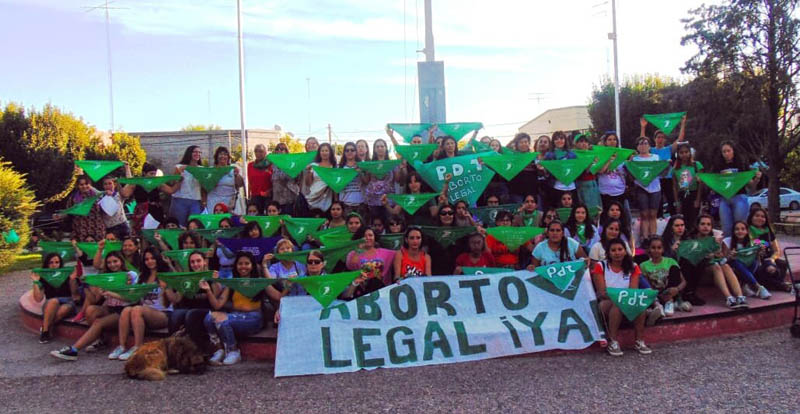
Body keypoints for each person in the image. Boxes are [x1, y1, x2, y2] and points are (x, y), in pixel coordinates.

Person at [50, 251, 138, 361]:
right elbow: (96, 299)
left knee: (98, 322)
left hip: (125, 310)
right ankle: (101, 339)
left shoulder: (130, 275)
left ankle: (74, 350)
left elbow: (132, 298)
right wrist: (88, 285)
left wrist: (110, 292)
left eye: (115, 261)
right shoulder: (105, 276)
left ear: (121, 261)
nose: (112, 264)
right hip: (110, 308)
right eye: (109, 262)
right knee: (90, 309)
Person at [201, 251, 264, 365]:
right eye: (240, 264)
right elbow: (217, 305)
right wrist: (208, 290)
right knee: (208, 318)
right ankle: (219, 349)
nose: (243, 266)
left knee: (224, 322)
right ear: (236, 266)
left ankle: (233, 351)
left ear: (252, 265)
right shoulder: (232, 283)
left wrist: (286, 288)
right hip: (235, 315)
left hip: (253, 318)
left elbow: (278, 296)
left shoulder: (259, 281)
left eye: (247, 263)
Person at [590, 238, 652, 356]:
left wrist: (621, 297)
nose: (617, 253)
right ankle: (612, 342)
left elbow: (633, 291)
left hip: (626, 300)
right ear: (608, 253)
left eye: (620, 249)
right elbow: (602, 292)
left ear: (625, 251)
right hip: (606, 303)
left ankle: (639, 341)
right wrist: (619, 297)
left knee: (639, 306)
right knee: (617, 305)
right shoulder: (600, 266)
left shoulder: (633, 267)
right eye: (613, 250)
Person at [109, 247, 172, 361]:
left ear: (158, 258)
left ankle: (137, 346)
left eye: (152, 258)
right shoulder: (142, 276)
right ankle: (122, 346)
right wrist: (115, 292)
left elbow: (171, 300)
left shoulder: (166, 275)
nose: (150, 261)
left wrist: (166, 287)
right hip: (143, 313)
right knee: (127, 310)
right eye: (147, 259)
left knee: (137, 309)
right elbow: (133, 298)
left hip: (163, 314)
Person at [165, 251, 220, 355]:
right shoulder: (186, 277)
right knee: (175, 315)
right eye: (192, 262)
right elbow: (176, 299)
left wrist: (215, 280)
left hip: (206, 310)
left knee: (191, 315)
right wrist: (167, 286)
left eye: (198, 261)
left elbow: (217, 297)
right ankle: (172, 351)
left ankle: (198, 351)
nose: (195, 264)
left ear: (204, 262)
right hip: (188, 309)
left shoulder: (210, 275)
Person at [710, 141, 760, 237]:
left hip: (740, 198)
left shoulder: (741, 165)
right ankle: (729, 250)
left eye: (728, 151)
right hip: (724, 200)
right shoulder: (718, 167)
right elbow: (714, 185)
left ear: (733, 151)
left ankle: (741, 249)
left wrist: (757, 179)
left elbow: (751, 186)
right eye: (724, 152)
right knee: (726, 229)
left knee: (740, 227)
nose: (726, 154)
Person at [640, 115, 688, 217]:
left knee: (671, 200)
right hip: (656, 179)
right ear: (654, 139)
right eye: (658, 137)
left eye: (662, 137)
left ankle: (674, 220)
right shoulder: (651, 150)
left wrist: (683, 123)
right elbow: (642, 141)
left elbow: (680, 139)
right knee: (658, 203)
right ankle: (658, 222)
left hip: (668, 179)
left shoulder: (668, 149)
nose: (660, 139)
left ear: (665, 139)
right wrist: (643, 127)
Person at [32, 253, 80, 343]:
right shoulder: (43, 277)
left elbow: (75, 294)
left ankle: (45, 329)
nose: (54, 265)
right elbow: (38, 298)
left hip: (67, 302)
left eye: (57, 262)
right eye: (51, 262)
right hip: (50, 303)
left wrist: (72, 280)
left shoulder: (65, 275)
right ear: (47, 264)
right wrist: (35, 282)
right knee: (54, 301)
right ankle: (46, 331)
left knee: (64, 309)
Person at [122, 162, 180, 236]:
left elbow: (171, 190)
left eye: (154, 174)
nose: (153, 176)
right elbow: (125, 194)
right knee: (141, 234)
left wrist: (180, 181)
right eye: (151, 174)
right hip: (141, 213)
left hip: (156, 212)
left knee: (157, 234)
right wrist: (118, 184)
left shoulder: (157, 183)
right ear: (144, 173)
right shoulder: (136, 183)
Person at [640, 236, 691, 319]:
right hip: (655, 295)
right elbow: (645, 285)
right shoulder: (643, 265)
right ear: (649, 249)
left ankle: (670, 302)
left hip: (670, 291)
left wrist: (677, 289)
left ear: (663, 249)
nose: (656, 250)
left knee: (674, 268)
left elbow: (683, 282)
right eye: (653, 248)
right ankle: (663, 305)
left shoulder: (670, 261)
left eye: (659, 248)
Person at [746, 207, 792, 292]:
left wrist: (772, 259)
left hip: (769, 259)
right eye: (757, 216)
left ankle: (776, 284)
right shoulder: (747, 230)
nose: (760, 218)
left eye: (763, 216)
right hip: (756, 260)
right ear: (751, 217)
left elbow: (777, 250)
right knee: (761, 270)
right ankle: (781, 285)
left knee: (783, 264)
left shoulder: (768, 231)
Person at [723, 221, 772, 300]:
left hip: (749, 265)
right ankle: (758, 287)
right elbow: (723, 260)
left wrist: (762, 248)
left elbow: (766, 243)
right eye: (737, 229)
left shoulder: (753, 240)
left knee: (755, 260)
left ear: (747, 231)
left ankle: (744, 285)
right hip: (734, 268)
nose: (740, 231)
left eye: (743, 229)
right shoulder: (727, 241)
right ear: (733, 231)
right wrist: (730, 256)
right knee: (736, 262)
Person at [53, 174, 105, 241]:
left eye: (86, 184)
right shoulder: (73, 198)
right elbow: (68, 212)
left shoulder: (98, 196)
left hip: (97, 230)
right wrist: (59, 216)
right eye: (81, 184)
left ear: (90, 184)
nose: (84, 186)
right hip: (80, 231)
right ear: (77, 186)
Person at [596, 132, 632, 219]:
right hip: (605, 192)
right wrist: (609, 158)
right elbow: (600, 171)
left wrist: (630, 162)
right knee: (606, 217)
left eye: (614, 139)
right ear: (605, 142)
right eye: (609, 139)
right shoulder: (599, 155)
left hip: (620, 191)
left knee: (622, 217)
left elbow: (626, 172)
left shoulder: (622, 155)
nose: (612, 141)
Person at [632, 136, 662, 240]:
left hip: (655, 188)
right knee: (644, 214)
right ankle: (645, 237)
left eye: (645, 143)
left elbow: (661, 171)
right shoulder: (634, 159)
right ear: (637, 147)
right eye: (640, 143)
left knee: (653, 214)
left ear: (649, 146)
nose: (643, 145)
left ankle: (653, 237)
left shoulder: (656, 157)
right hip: (641, 188)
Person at [543, 131, 578, 210]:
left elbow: (577, 170)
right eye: (556, 139)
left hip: (571, 187)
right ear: (553, 141)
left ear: (565, 140)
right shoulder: (549, 155)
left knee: (573, 211)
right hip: (557, 187)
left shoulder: (572, 154)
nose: (559, 140)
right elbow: (546, 173)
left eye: (561, 138)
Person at [170, 145, 205, 226]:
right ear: (189, 153)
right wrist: (181, 170)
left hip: (195, 200)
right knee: (180, 224)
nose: (198, 154)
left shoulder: (202, 169)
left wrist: (204, 201)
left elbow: (203, 187)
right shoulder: (179, 167)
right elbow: (173, 182)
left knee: (195, 224)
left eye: (199, 152)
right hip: (180, 199)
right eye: (195, 152)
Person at [364, 139, 397, 221]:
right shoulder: (370, 164)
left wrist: (402, 168)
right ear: (374, 149)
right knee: (375, 226)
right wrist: (361, 172)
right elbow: (366, 181)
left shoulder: (392, 164)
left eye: (382, 146)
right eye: (377, 146)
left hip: (388, 201)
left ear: (386, 148)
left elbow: (399, 180)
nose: (380, 148)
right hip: (373, 201)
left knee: (389, 224)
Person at [672, 143, 703, 230]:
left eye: (686, 152)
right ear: (678, 154)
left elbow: (701, 184)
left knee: (694, 219)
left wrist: (698, 199)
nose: (684, 154)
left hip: (694, 194)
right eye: (681, 152)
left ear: (690, 153)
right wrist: (677, 202)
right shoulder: (675, 169)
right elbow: (674, 186)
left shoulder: (696, 165)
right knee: (684, 219)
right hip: (682, 195)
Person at [206, 146, 244, 212]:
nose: (223, 156)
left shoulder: (233, 168)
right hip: (214, 201)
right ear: (216, 157)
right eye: (220, 154)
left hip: (230, 202)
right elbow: (207, 186)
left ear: (228, 157)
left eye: (225, 154)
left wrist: (236, 175)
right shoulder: (211, 170)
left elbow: (240, 184)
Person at [304, 142, 336, 212]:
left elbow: (335, 186)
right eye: (322, 151)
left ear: (330, 152)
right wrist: (308, 171)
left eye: (326, 151)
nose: (324, 153)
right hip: (312, 197)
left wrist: (336, 201)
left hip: (327, 199)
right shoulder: (314, 165)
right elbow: (308, 183)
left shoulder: (334, 167)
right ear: (319, 153)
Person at [270, 143, 300, 216]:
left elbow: (293, 177)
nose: (279, 151)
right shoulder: (273, 164)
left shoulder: (292, 163)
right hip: (277, 199)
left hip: (289, 199)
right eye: (277, 149)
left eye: (282, 149)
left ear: (286, 151)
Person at [573, 134, 602, 210]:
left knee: (596, 208)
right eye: (581, 141)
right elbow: (581, 171)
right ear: (575, 144)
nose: (584, 143)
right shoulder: (574, 155)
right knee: (586, 209)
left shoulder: (592, 154)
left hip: (593, 183)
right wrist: (591, 162)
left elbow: (597, 170)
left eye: (586, 141)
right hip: (582, 185)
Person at [507, 132, 537, 204]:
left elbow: (539, 174)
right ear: (517, 144)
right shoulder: (512, 157)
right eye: (521, 142)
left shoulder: (534, 156)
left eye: (525, 142)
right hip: (516, 192)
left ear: (529, 143)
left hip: (532, 192)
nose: (524, 144)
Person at [338, 142, 367, 214]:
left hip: (361, 202)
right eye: (347, 150)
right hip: (346, 202)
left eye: (352, 150)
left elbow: (366, 182)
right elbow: (337, 185)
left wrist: (360, 173)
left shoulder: (362, 164)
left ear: (356, 151)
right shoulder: (341, 167)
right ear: (344, 152)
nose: (349, 152)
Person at [247, 144, 272, 215]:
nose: (258, 153)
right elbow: (249, 181)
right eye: (256, 151)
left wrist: (270, 191)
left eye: (261, 151)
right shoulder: (250, 165)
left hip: (268, 196)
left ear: (265, 153)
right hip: (255, 196)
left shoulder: (270, 165)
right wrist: (249, 195)